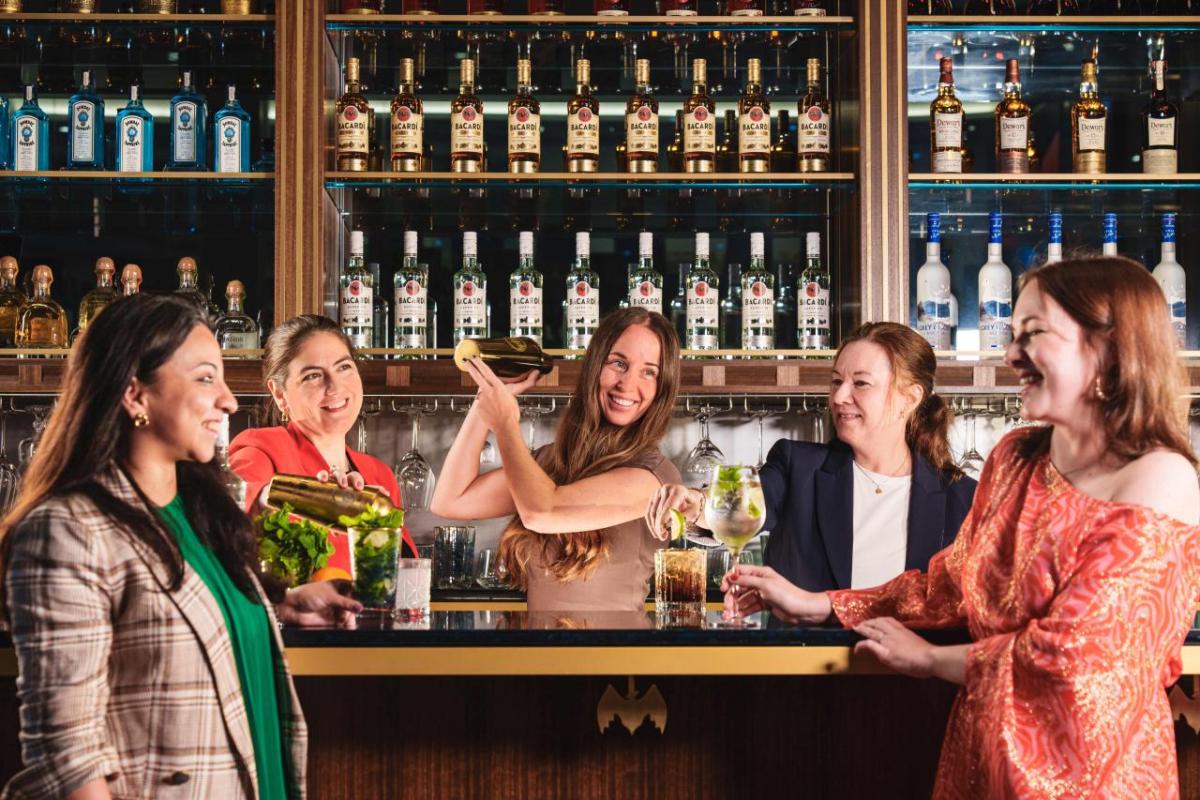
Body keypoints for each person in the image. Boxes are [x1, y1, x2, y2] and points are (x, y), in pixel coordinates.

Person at [723, 256, 1200, 798]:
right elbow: (947, 584)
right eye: (1013, 334)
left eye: (1033, 334)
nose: (1010, 353)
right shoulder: (1016, 458)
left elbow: (1075, 653)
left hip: (1092, 772)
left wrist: (928, 659)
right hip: (979, 756)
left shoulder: (1162, 477)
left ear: (1110, 347)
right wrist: (822, 604)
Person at [0, 295, 362, 800]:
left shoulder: (198, 514)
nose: (229, 400)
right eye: (205, 378)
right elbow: (68, 762)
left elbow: (183, 610)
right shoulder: (67, 531)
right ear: (134, 394)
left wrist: (277, 602)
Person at [647, 321, 976, 592]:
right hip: (805, 669)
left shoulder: (964, 499)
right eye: (836, 382)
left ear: (910, 398)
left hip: (909, 670)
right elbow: (741, 504)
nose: (840, 396)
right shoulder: (798, 468)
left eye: (860, 383)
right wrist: (696, 504)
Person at [430, 308, 682, 612]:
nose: (627, 385)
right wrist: (488, 397)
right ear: (594, 367)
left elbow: (542, 512)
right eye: (618, 363)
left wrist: (506, 423)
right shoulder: (552, 460)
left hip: (614, 654)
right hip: (542, 654)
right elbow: (450, 500)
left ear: (662, 387)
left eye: (649, 372)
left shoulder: (654, 479)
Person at [228, 314, 417, 572]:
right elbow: (225, 524)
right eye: (312, 376)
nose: (335, 387)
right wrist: (302, 498)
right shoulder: (260, 450)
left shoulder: (379, 476)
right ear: (280, 394)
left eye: (344, 367)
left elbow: (399, 575)